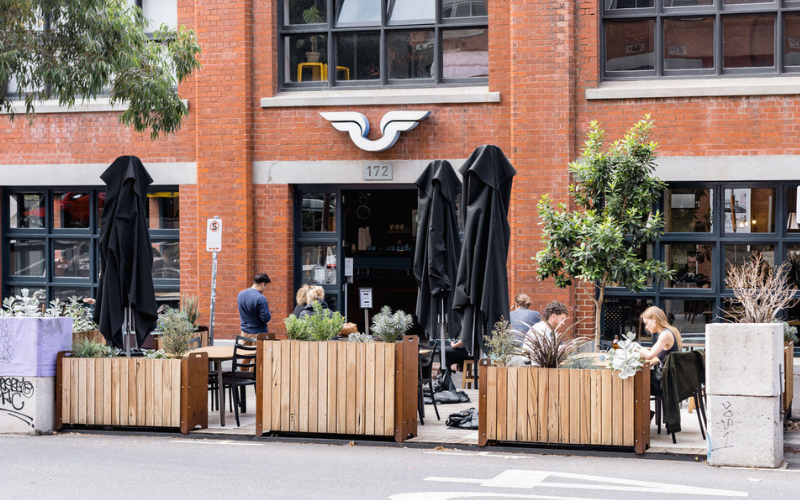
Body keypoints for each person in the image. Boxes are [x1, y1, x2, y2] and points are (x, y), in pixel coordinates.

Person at [638, 306, 682, 398]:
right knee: (638, 377)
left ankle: (641, 408)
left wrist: (636, 347)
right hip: (669, 379)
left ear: (654, 319)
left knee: (635, 378)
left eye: (646, 323)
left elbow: (649, 356)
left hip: (666, 382)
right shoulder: (669, 332)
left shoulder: (665, 335)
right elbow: (655, 352)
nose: (646, 327)